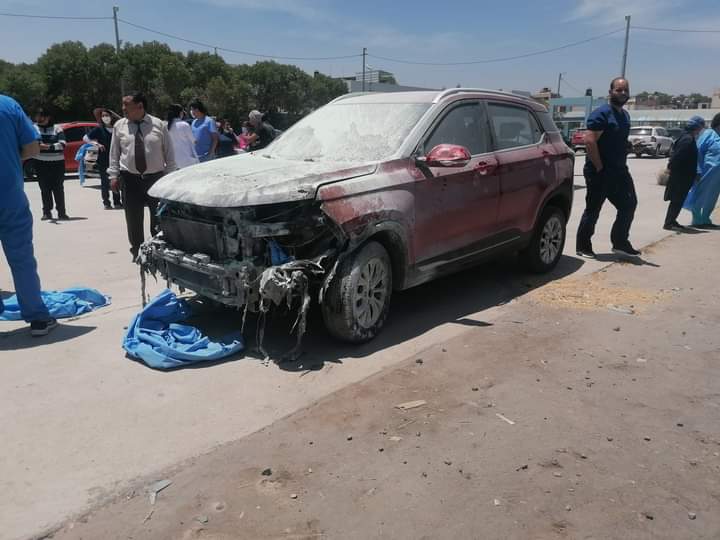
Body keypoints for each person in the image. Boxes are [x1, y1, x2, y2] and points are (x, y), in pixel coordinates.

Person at [0, 94, 57, 336]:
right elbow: (32, 147)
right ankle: (37, 318)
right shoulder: (8, 106)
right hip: (9, 194)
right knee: (22, 259)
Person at [576, 77, 640, 259]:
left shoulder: (625, 115)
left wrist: (627, 146)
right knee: (594, 208)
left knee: (629, 204)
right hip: (600, 171)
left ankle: (620, 243)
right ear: (610, 92)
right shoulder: (602, 113)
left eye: (626, 90)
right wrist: (599, 167)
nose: (623, 93)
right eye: (619, 90)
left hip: (620, 170)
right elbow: (589, 141)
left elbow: (616, 139)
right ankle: (583, 246)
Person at [108, 92, 177, 261]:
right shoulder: (119, 126)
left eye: (127, 104)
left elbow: (169, 153)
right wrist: (113, 175)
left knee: (158, 217)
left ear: (140, 106)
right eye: (122, 104)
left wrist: (171, 178)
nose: (123, 108)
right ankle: (137, 251)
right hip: (129, 179)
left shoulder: (158, 124)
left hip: (155, 179)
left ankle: (158, 251)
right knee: (133, 219)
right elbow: (114, 153)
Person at [663, 116, 705, 230]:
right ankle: (669, 223)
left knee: (678, 199)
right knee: (677, 199)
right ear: (697, 128)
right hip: (681, 176)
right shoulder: (688, 139)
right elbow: (678, 156)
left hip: (682, 175)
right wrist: (671, 167)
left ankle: (671, 221)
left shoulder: (686, 137)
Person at [684, 113, 720, 228]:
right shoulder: (708, 135)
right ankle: (697, 220)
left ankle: (705, 219)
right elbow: (697, 152)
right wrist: (697, 170)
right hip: (705, 173)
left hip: (717, 176)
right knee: (700, 195)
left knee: (712, 197)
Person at [33, 108, 69, 221]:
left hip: (57, 163)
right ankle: (47, 212)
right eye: (37, 116)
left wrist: (48, 147)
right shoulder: (34, 128)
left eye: (41, 116)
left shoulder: (57, 128)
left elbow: (63, 144)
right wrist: (52, 145)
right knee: (44, 189)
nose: (38, 119)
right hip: (40, 163)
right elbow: (34, 143)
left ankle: (62, 213)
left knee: (58, 188)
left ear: (48, 117)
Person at [85, 108, 122, 209]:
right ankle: (106, 202)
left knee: (116, 181)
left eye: (107, 115)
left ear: (111, 117)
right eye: (103, 116)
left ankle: (117, 202)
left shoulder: (116, 128)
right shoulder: (99, 129)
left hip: (116, 159)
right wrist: (97, 144)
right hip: (103, 159)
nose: (105, 117)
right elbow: (86, 138)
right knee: (105, 182)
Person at [166, 104, 199, 169]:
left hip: (175, 163)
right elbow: (194, 141)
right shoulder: (184, 125)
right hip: (188, 161)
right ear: (181, 113)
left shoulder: (167, 127)